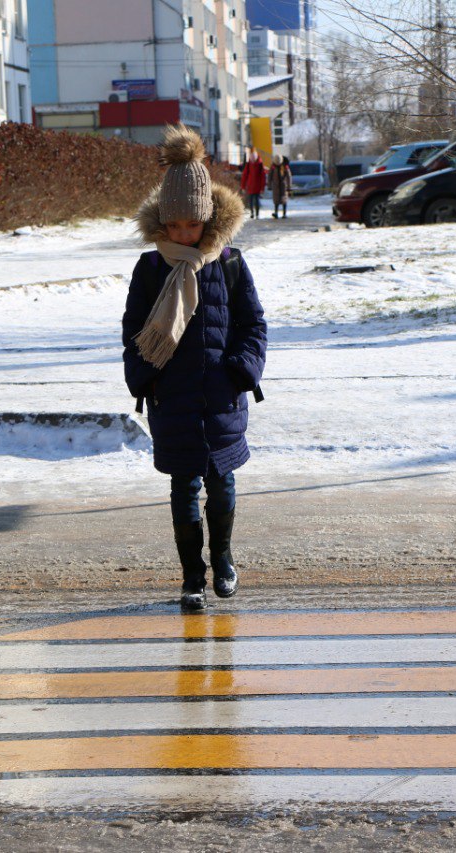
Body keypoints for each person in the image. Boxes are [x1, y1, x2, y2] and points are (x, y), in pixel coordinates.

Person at [123, 125, 267, 611]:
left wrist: (241, 370)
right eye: (175, 226)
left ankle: (223, 559)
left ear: (208, 219)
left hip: (221, 396)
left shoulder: (229, 264)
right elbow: (133, 330)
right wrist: (146, 378)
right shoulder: (150, 269)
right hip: (173, 399)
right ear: (163, 223)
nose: (185, 235)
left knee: (221, 484)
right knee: (183, 486)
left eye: (193, 225)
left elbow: (252, 324)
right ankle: (192, 576)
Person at [240, 148, 266, 219]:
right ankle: (252, 213)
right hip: (251, 186)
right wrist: (243, 186)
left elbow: (263, 177)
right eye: (251, 158)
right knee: (251, 201)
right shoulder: (249, 164)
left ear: (256, 157)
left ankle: (256, 214)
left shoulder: (260, 164)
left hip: (256, 186)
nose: (252, 160)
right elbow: (244, 175)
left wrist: (262, 188)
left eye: (253, 158)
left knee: (256, 201)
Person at [269, 155, 292, 219]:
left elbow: (289, 177)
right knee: (276, 199)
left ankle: (284, 213)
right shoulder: (273, 166)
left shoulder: (285, 166)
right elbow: (269, 176)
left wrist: (289, 186)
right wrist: (269, 185)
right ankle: (276, 213)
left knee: (284, 199)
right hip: (275, 185)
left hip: (284, 185)